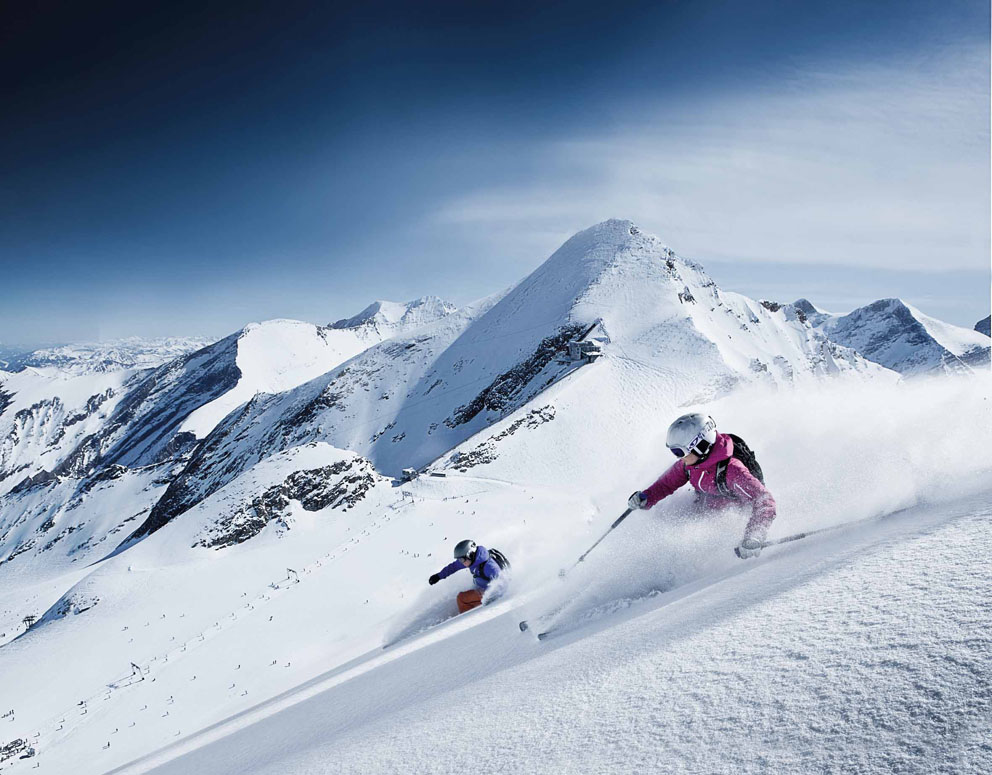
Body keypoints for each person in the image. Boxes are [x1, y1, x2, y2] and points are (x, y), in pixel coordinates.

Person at [628, 413, 776, 559]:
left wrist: (754, 536)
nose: (678, 457)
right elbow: (666, 484)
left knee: (686, 545)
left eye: (679, 451)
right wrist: (646, 497)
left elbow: (764, 500)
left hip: (729, 522)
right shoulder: (689, 464)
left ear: (700, 446)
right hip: (703, 509)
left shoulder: (732, 470)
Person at [428, 539, 503, 613]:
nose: (461, 562)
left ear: (470, 554)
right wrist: (438, 576)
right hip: (483, 587)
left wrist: (490, 597)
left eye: (461, 559)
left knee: (461, 598)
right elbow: (453, 567)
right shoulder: (473, 560)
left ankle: (469, 618)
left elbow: (502, 581)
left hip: (490, 593)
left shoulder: (489, 566)